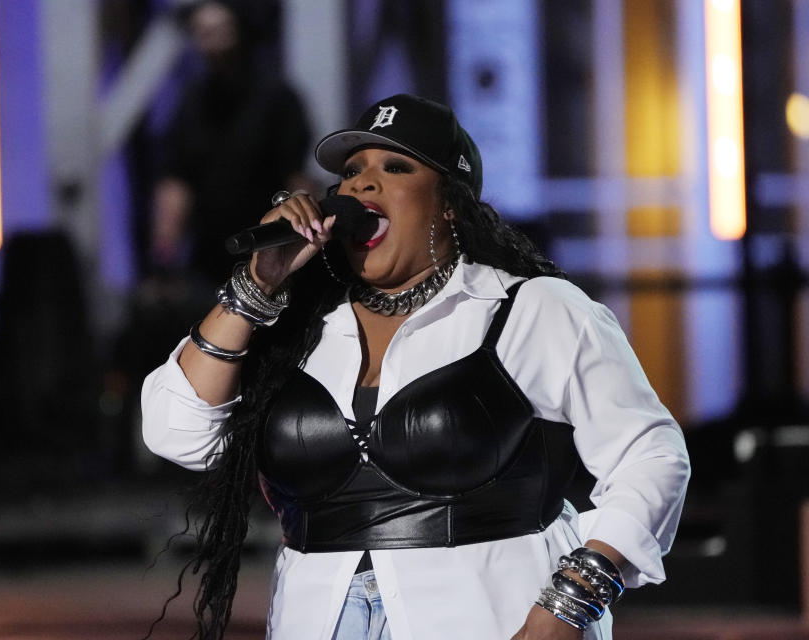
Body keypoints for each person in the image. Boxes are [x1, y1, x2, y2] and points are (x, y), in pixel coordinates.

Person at [141, 94, 690, 640]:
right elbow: (177, 434)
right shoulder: (298, 328)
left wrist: (573, 602)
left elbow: (652, 457)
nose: (361, 185)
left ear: (449, 203)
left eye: (395, 167)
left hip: (492, 619)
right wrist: (257, 286)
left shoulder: (531, 309)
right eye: (351, 173)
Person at [149, 0, 312, 284]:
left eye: (219, 29)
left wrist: (305, 240)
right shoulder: (193, 102)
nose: (209, 40)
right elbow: (176, 180)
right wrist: (164, 252)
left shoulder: (277, 98)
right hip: (209, 253)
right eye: (201, 31)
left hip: (268, 245)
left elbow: (297, 178)